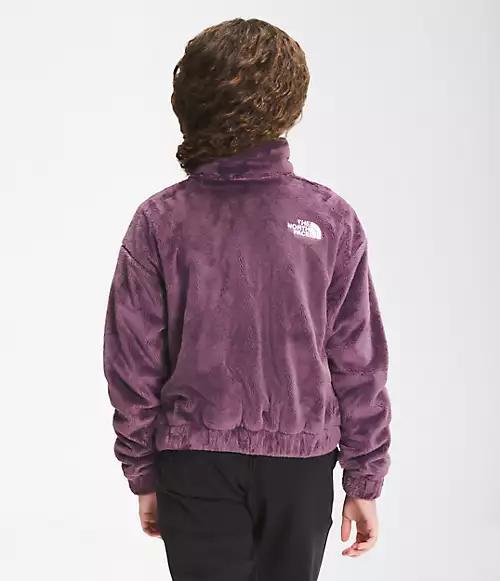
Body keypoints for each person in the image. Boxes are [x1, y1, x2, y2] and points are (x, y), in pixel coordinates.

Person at [103, 17, 391, 581]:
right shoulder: (328, 217)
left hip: (194, 461)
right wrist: (364, 478)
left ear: (191, 99)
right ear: (290, 103)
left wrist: (144, 471)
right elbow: (358, 361)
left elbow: (131, 364)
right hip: (299, 463)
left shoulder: (161, 219)